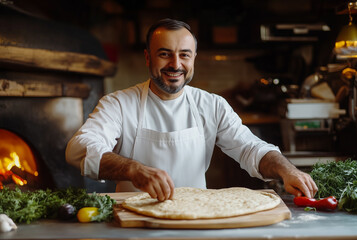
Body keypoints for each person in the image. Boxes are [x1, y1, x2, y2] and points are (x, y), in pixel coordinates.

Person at [66, 18, 318, 202]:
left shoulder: (212, 105)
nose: (175, 64)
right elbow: (79, 148)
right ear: (147, 57)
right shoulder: (119, 104)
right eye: (164, 54)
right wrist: (134, 169)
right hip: (133, 221)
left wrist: (287, 170)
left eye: (184, 55)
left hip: (195, 218)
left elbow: (251, 148)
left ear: (194, 58)